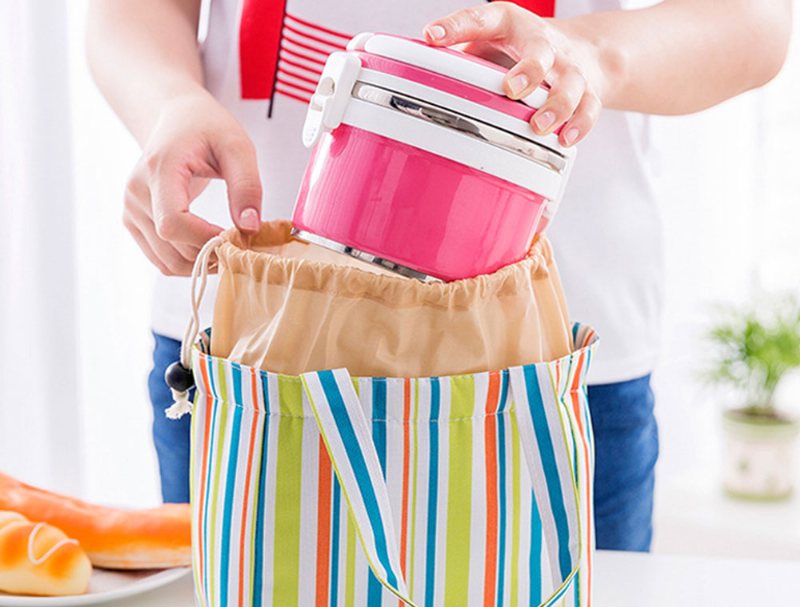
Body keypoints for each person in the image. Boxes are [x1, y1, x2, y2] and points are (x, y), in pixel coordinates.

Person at [87, 0, 790, 551]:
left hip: (541, 365)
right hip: (247, 350)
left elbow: (757, 21)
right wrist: (168, 104)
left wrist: (592, 57)